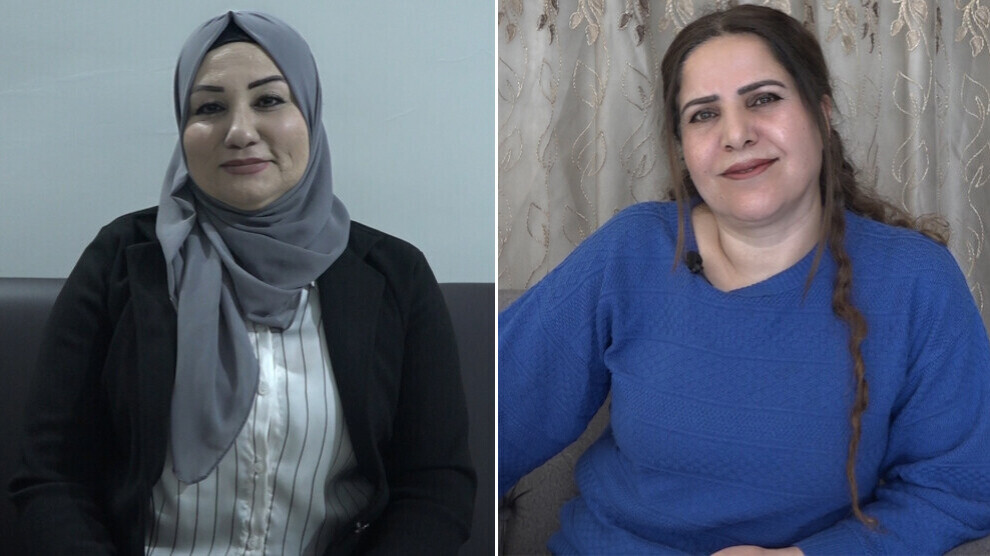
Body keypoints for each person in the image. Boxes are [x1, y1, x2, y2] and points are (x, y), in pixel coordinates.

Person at [499, 5, 990, 554]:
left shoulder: (917, 280)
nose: (736, 134)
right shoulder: (630, 252)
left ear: (822, 112)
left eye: (763, 99)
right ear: (683, 147)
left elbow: (957, 489)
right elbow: (488, 418)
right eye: (704, 114)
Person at [9, 10, 475, 555]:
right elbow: (52, 477)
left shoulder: (394, 275)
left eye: (269, 100)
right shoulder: (122, 261)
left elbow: (434, 486)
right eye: (209, 108)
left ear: (310, 113)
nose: (240, 132)